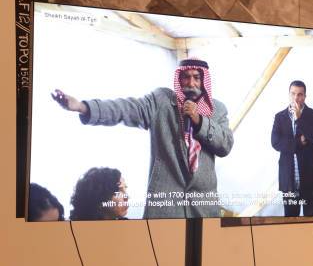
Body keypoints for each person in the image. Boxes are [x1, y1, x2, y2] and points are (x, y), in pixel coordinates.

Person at [52, 59, 234, 219]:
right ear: (179, 79)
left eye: (196, 77)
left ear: (204, 80)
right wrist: (83, 107)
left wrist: (199, 120)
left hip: (203, 211)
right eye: (185, 77)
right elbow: (127, 108)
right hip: (165, 212)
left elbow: (225, 145)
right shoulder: (161, 101)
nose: (191, 83)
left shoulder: (218, 110)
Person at [271, 80, 313, 217]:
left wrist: (300, 118)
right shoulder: (279, 117)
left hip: (310, 179)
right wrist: (299, 141)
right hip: (289, 180)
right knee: (290, 219)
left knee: (311, 219)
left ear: (305, 96)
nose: (296, 98)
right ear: (289, 94)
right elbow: (275, 143)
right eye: (293, 94)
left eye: (300, 94)